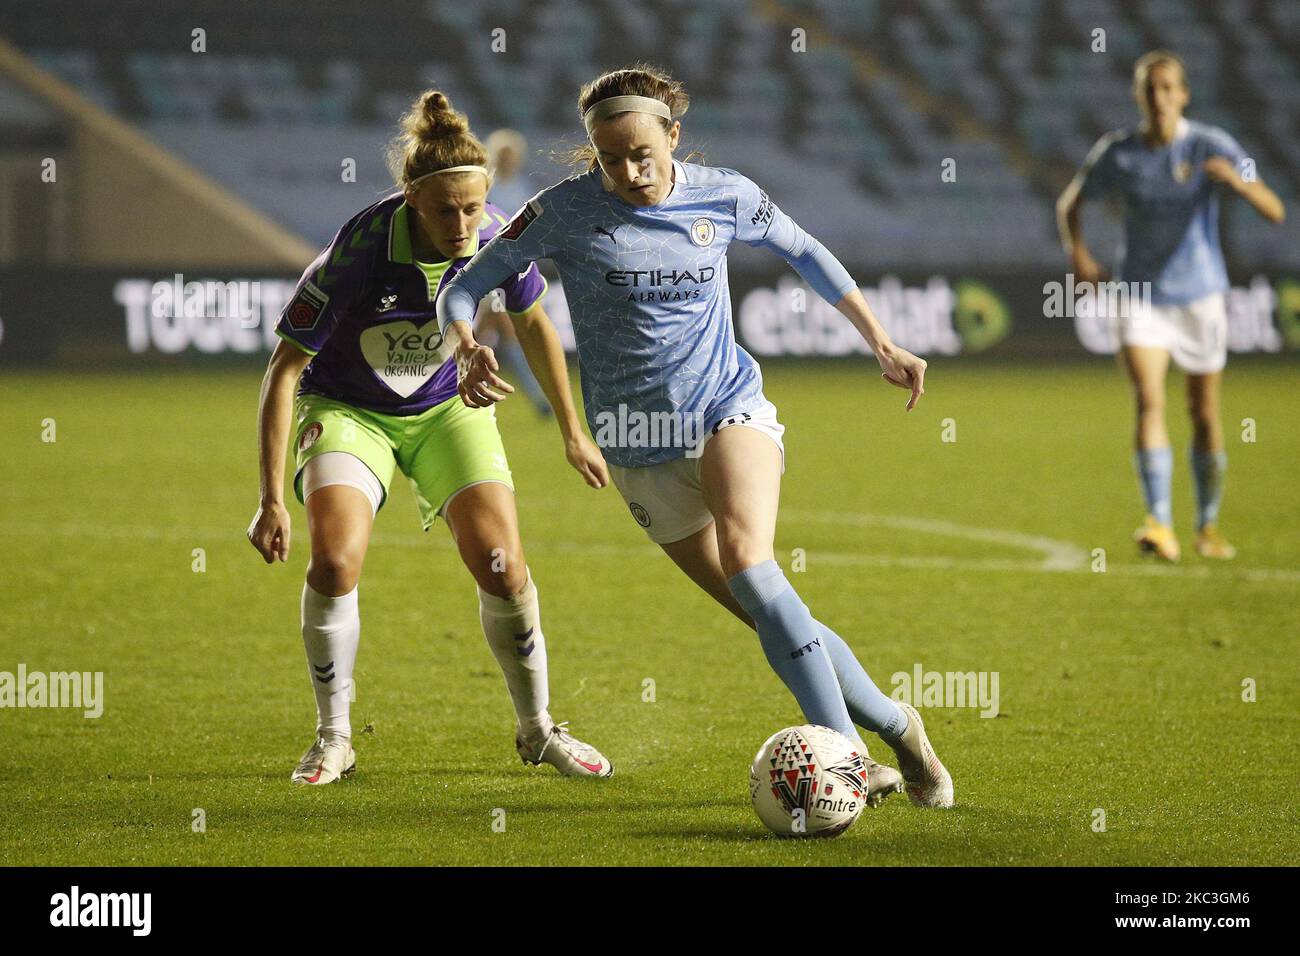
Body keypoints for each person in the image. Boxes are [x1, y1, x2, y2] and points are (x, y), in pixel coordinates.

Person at [437, 65, 953, 809]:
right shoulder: (562, 212)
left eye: (642, 153)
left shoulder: (727, 194)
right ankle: (898, 725)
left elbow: (804, 249)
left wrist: (881, 340)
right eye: (610, 159)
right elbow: (463, 284)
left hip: (724, 409)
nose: (628, 171)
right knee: (770, 611)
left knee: (752, 564)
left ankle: (841, 753)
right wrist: (464, 340)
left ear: (673, 136)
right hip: (634, 446)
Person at [246, 90, 613, 784]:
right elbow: (284, 369)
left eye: (473, 207)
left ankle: (537, 730)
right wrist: (270, 499)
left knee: (502, 563)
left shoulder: (500, 236)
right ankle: (334, 739)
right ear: (411, 198)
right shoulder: (357, 252)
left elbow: (536, 323)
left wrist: (574, 430)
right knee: (335, 560)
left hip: (448, 410)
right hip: (353, 410)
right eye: (446, 210)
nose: (463, 224)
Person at [1057, 50, 1285, 561]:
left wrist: (1239, 184)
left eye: (1167, 88)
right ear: (1138, 96)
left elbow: (1275, 209)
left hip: (1201, 297)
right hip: (1139, 294)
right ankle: (1160, 521)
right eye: (1149, 89)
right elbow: (1069, 203)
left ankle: (1207, 526)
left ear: (1183, 94)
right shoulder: (1118, 153)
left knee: (1203, 413)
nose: (1158, 98)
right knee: (1149, 400)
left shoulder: (1212, 145)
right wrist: (1080, 257)